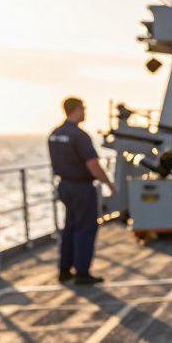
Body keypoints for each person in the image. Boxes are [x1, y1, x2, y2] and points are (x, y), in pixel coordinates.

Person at [48, 97, 115, 285]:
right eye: (83, 108)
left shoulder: (55, 134)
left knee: (70, 226)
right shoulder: (79, 135)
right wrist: (108, 183)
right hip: (81, 187)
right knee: (85, 228)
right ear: (75, 110)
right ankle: (82, 273)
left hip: (64, 186)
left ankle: (64, 270)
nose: (85, 112)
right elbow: (93, 164)